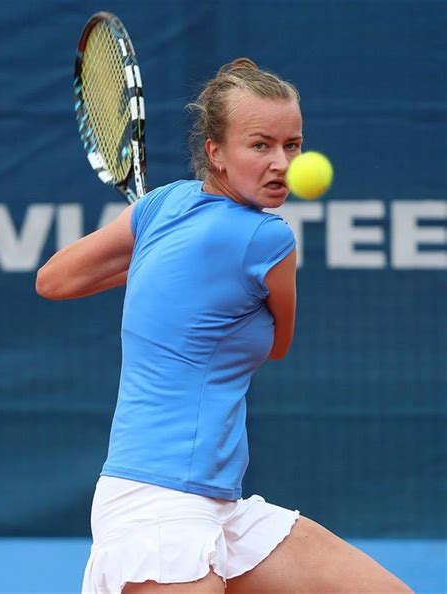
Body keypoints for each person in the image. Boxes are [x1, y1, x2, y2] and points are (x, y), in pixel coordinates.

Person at [36, 58, 412, 594]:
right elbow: (279, 343)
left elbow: (54, 278)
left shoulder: (162, 204)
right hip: (158, 507)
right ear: (215, 151)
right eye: (260, 145)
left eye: (292, 145)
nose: (281, 162)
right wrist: (160, 266)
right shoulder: (268, 239)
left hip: (220, 505)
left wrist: (160, 262)